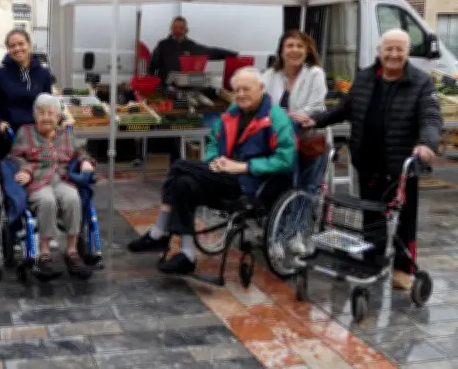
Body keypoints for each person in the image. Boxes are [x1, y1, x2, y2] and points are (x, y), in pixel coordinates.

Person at [293, 29, 441, 290]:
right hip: (367, 162)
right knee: (371, 216)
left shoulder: (421, 82)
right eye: (389, 49)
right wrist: (316, 120)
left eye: (400, 49)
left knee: (404, 220)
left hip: (400, 166)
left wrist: (427, 143)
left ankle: (402, 270)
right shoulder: (365, 77)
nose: (393, 54)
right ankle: (372, 261)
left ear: (408, 52)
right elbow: (344, 108)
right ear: (379, 51)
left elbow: (430, 117)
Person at [127, 68, 296, 274]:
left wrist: (244, 167)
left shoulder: (277, 118)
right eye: (237, 90)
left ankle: (159, 231)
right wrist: (213, 160)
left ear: (261, 88)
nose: (241, 94)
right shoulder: (232, 113)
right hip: (224, 176)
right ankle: (187, 254)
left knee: (179, 166)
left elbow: (286, 160)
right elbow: (213, 141)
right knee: (183, 184)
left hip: (251, 183)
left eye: (246, 89)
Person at [10, 94, 95, 279]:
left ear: (58, 117)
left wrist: (85, 161)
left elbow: (81, 152)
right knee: (47, 201)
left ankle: (72, 251)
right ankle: (44, 252)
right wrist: (26, 171)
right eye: (41, 113)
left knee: (73, 198)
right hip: (37, 180)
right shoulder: (25, 132)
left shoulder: (66, 135)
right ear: (35, 115)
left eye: (50, 113)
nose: (46, 117)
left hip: (62, 179)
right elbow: (15, 157)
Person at [147, 16, 238, 163]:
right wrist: (155, 86)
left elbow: (210, 51)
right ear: (171, 28)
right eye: (175, 28)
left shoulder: (191, 46)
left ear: (186, 30)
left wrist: (232, 54)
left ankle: (189, 160)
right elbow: (152, 68)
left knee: (184, 127)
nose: (178, 31)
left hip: (186, 95)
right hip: (167, 94)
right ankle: (176, 161)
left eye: (181, 28)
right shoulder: (162, 45)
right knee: (172, 130)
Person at [262, 30, 328, 190]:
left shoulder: (315, 74)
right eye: (290, 46)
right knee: (283, 187)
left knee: (307, 188)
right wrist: (286, 117)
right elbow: (261, 104)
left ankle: (305, 208)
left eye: (300, 46)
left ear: (307, 51)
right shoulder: (270, 75)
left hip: (308, 140)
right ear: (281, 51)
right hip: (278, 142)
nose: (295, 50)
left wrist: (281, 117)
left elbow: (315, 107)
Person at [0, 29, 53, 161]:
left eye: (21, 44)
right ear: (8, 50)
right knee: (10, 171)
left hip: (37, 135)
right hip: (8, 135)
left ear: (29, 45)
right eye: (12, 46)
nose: (17, 48)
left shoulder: (43, 74)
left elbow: (47, 103)